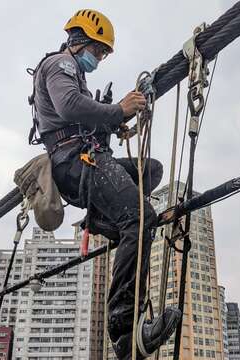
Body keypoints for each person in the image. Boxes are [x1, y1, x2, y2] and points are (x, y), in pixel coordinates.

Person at [28, 9, 181, 359]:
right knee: (141, 218)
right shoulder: (60, 65)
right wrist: (117, 111)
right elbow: (68, 107)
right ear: (80, 41)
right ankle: (124, 329)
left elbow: (80, 115)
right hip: (75, 163)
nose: (98, 59)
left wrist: (112, 124)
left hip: (87, 158)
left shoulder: (74, 75)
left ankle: (104, 221)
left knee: (150, 171)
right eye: (97, 51)